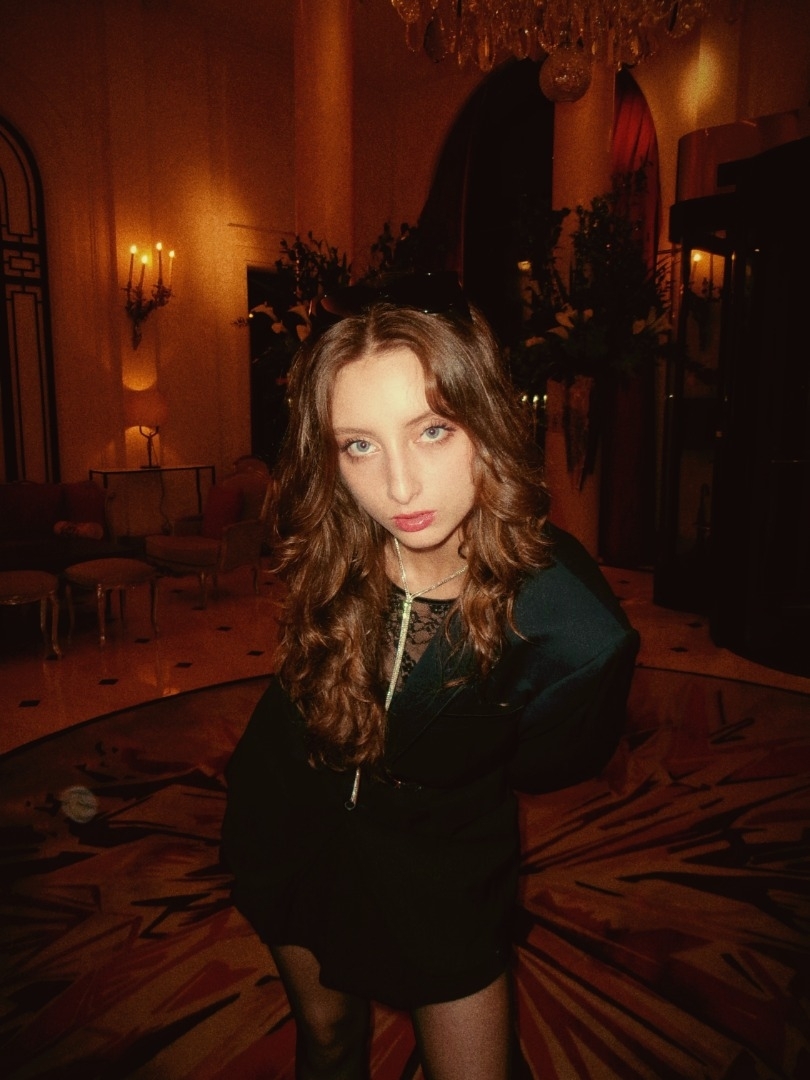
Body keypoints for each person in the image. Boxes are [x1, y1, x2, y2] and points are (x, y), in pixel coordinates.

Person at [221, 272, 639, 1080]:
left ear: (486, 420)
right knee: (329, 1041)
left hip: (443, 874)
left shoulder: (573, 624)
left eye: (433, 431)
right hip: (287, 828)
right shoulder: (335, 539)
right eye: (359, 445)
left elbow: (550, 758)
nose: (399, 487)